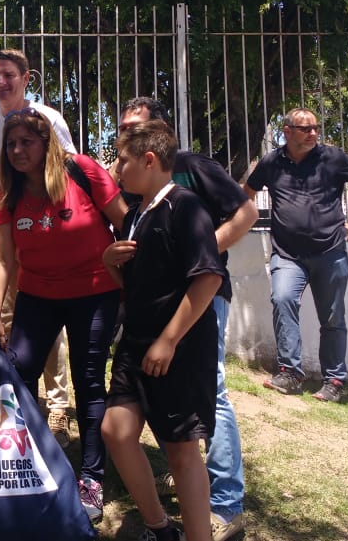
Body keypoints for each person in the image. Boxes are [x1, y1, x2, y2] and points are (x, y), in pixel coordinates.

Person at [119, 97, 258, 540]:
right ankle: (167, 519)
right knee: (123, 429)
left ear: (152, 147)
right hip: (145, 325)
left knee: (205, 403)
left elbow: (243, 219)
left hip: (190, 317)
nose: (118, 155)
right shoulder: (139, 202)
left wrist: (195, 254)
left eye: (129, 136)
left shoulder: (193, 179)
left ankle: (225, 503)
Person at [0, 107, 127, 521]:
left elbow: (126, 223)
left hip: (95, 292)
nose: (16, 150)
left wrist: (131, 278)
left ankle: (91, 477)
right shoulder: (8, 194)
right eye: (10, 144)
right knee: (19, 372)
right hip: (38, 295)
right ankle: (30, 463)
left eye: (25, 141)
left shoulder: (81, 170)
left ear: (46, 142)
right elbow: (3, 259)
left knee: (87, 379)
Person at [101, 119, 225, 541]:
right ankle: (160, 528)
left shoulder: (185, 206)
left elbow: (208, 278)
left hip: (179, 350)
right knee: (115, 431)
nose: (117, 169)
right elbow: (135, 285)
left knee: (180, 450)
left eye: (122, 160)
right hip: (135, 345)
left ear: (149, 160)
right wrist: (109, 263)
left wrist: (168, 340)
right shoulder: (136, 214)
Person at [0, 49, 74, 446]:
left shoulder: (49, 119)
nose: (0, 82)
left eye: (9, 74)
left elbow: (70, 170)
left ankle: (57, 405)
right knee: (4, 319)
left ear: (27, 78)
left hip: (43, 229)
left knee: (47, 316)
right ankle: (9, 400)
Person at [244, 107, 348, 402]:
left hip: (330, 252)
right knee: (282, 300)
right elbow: (247, 193)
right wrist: (239, 222)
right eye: (305, 129)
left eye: (316, 128)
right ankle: (290, 373)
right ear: (287, 131)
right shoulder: (272, 162)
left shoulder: (332, 157)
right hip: (287, 254)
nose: (313, 134)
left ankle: (334, 380)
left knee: (332, 317)